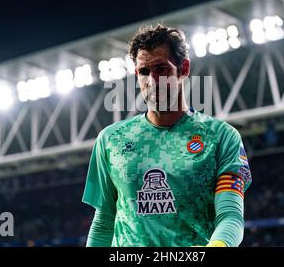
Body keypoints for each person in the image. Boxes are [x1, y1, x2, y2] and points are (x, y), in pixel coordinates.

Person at [82, 24, 252, 247]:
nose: (152, 82)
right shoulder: (110, 140)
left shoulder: (222, 137)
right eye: (144, 72)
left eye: (161, 69)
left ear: (183, 69)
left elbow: (230, 216)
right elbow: (104, 222)